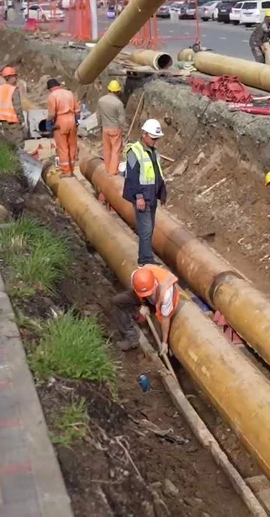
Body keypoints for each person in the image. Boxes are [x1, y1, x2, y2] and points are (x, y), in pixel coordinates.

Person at [123, 119, 167, 266]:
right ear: (144, 135)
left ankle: (146, 257)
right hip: (142, 197)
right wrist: (139, 197)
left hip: (152, 196)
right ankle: (145, 260)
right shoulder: (134, 151)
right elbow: (132, 177)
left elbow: (156, 173)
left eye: (157, 138)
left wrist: (162, 194)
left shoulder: (153, 152)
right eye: (153, 138)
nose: (155, 141)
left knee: (150, 229)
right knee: (146, 230)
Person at [112, 266, 180, 352]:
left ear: (155, 284)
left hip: (160, 303)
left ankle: (158, 352)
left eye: (149, 293)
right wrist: (143, 305)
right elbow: (138, 291)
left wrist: (164, 343)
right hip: (145, 297)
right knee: (118, 301)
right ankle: (131, 337)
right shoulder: (136, 277)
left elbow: (166, 318)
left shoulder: (166, 294)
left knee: (157, 335)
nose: (147, 295)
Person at [98, 79, 127, 204]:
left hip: (105, 128)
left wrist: (100, 125)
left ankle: (107, 167)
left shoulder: (101, 100)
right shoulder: (118, 103)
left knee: (107, 149)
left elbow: (98, 115)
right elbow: (121, 119)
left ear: (109, 89)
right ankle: (113, 171)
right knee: (116, 150)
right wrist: (124, 129)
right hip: (115, 129)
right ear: (118, 91)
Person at [45, 78, 81, 176]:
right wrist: (76, 119)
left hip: (60, 122)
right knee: (72, 146)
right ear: (58, 85)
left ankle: (66, 171)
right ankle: (72, 168)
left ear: (50, 88)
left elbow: (52, 114)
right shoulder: (69, 93)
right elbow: (77, 110)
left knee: (63, 148)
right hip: (72, 120)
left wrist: (48, 122)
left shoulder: (52, 96)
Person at [0, 66, 24, 144]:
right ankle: (19, 156)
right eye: (14, 76)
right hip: (13, 120)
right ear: (11, 77)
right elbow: (17, 106)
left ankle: (11, 156)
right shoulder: (13, 89)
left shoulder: (0, 88)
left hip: (3, 120)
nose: (16, 78)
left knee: (9, 143)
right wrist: (21, 119)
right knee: (18, 142)